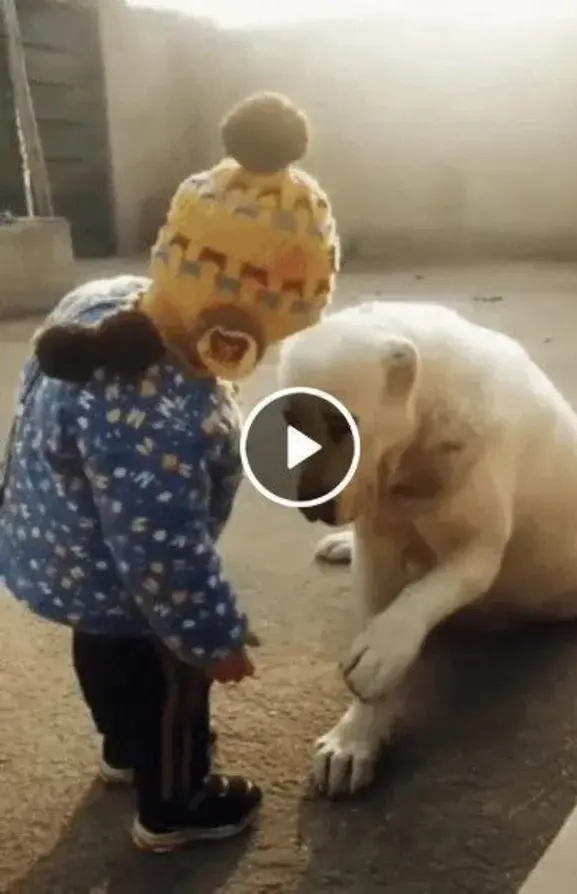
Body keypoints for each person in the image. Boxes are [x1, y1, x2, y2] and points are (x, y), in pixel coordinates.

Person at [0, 92, 340, 853]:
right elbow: (164, 552)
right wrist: (211, 636)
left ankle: (123, 750)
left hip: (62, 546)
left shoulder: (100, 300)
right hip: (128, 579)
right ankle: (175, 802)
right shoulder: (159, 414)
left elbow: (30, 410)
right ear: (243, 320)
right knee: (174, 683)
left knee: (103, 652)